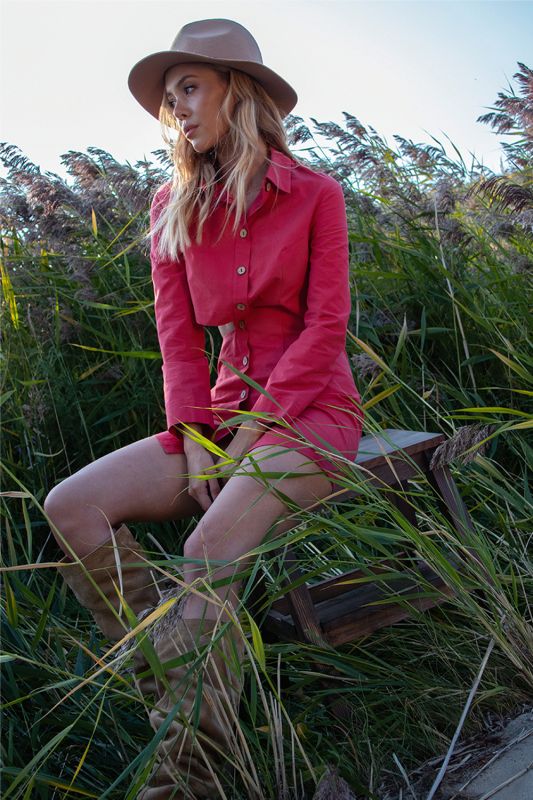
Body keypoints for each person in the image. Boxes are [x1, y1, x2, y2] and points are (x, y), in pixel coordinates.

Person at [47, 18, 363, 799]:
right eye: (168, 96)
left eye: (189, 86)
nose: (175, 107)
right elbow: (178, 345)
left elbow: (325, 329)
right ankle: (190, 706)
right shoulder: (171, 206)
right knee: (71, 507)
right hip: (215, 419)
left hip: (311, 414)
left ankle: (185, 783)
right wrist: (195, 441)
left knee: (205, 551)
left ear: (236, 91)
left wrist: (254, 432)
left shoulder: (316, 196)